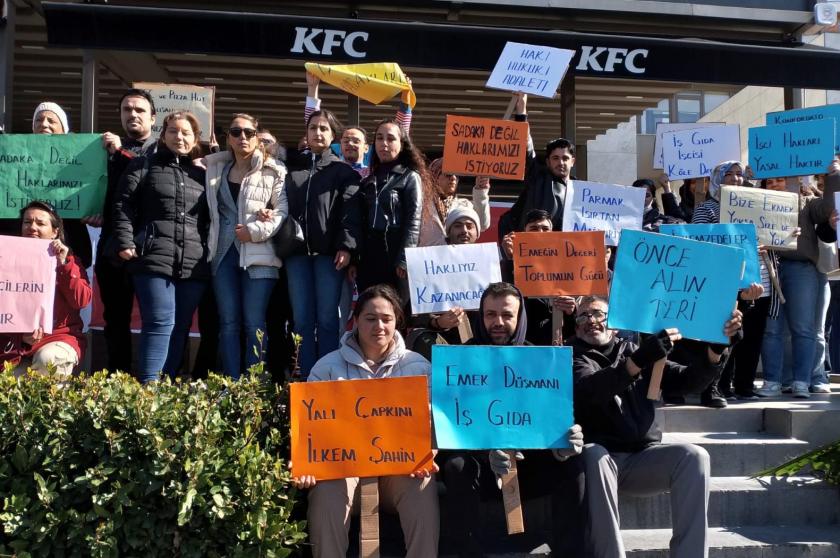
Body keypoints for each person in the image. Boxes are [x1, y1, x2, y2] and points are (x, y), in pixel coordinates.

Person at [571, 296, 742, 557]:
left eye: (598, 314)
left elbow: (688, 382)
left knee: (695, 456)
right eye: (583, 316)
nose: (591, 321)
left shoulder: (635, 350)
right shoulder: (572, 356)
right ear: (576, 327)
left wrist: (715, 351)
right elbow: (592, 390)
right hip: (601, 465)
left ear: (614, 323)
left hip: (642, 457)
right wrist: (637, 362)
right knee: (593, 454)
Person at [438, 282, 586, 557]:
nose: (498, 322)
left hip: (528, 467)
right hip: (481, 473)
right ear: (480, 317)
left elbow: (552, 422)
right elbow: (449, 433)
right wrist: (485, 455)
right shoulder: (459, 362)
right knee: (457, 466)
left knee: (574, 462)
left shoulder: (541, 360)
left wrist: (564, 442)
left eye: (507, 315)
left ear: (520, 318)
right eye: (490, 314)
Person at [293, 285, 438, 558]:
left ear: (398, 322)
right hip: (346, 474)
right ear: (356, 320)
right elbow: (310, 430)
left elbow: (431, 424)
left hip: (397, 474)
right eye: (370, 318)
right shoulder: (326, 367)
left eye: (387, 318)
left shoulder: (418, 367)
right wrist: (306, 464)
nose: (379, 326)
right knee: (327, 491)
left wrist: (430, 452)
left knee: (423, 484)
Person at [111, 111, 210, 383]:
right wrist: (125, 241)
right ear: (163, 135)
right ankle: (148, 390)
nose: (179, 137)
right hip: (152, 258)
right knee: (159, 322)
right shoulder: (144, 165)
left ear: (195, 139)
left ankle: (166, 390)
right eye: (173, 131)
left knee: (180, 327)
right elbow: (123, 204)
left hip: (193, 263)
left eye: (186, 133)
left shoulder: (202, 174)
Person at [205, 114, 287, 379]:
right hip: (222, 254)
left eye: (249, 132)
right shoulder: (215, 169)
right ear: (228, 138)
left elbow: (281, 212)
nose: (243, 137)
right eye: (236, 132)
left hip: (260, 254)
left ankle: (253, 385)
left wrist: (254, 231)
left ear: (257, 136)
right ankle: (231, 382)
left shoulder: (273, 170)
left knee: (255, 324)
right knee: (228, 323)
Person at [284, 108, 361, 378]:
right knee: (302, 321)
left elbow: (350, 215)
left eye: (324, 128)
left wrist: (346, 247)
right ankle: (306, 376)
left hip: (329, 256)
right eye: (313, 127)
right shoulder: (292, 168)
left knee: (328, 320)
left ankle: (327, 377)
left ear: (333, 136)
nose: (318, 132)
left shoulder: (344, 172)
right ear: (305, 133)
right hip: (295, 256)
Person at [756, 168, 839, 398]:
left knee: (804, 328)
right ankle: (772, 381)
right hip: (769, 267)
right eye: (770, 181)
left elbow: (829, 208)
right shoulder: (757, 202)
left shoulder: (806, 202)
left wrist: (833, 176)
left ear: (791, 180)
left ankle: (802, 381)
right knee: (772, 329)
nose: (775, 184)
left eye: (780, 179)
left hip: (801, 269)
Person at [691, 161, 766, 405]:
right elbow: (698, 243)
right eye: (729, 174)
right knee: (722, 334)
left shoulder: (752, 209)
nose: (735, 178)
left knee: (743, 334)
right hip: (717, 281)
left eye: (739, 174)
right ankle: (712, 388)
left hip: (745, 280)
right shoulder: (706, 209)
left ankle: (737, 385)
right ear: (718, 179)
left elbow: (763, 236)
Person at [96, 89, 158, 373]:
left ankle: (153, 381)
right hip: (111, 248)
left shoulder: (162, 151)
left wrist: (121, 152)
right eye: (127, 110)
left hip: (150, 250)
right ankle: (116, 380)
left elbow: (146, 180)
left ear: (153, 118)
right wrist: (94, 208)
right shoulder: (102, 152)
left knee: (155, 319)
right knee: (115, 318)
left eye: (140, 110)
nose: (133, 114)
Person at [1, 201, 92, 378]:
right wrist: (20, 337)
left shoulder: (69, 261)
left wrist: (64, 265)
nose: (32, 227)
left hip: (58, 338)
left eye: (40, 223)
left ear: (55, 232)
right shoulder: (5, 260)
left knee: (48, 360)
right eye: (27, 222)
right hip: (14, 345)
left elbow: (81, 300)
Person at [355, 119, 426, 293]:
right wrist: (356, 260)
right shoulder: (367, 180)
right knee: (370, 304)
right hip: (369, 255)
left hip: (395, 252)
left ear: (401, 145)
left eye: (390, 138)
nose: (384, 144)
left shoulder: (410, 177)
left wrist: (404, 258)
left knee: (395, 309)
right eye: (379, 138)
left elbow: (414, 220)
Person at [304, 71, 412, 178]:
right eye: (346, 141)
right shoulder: (329, 171)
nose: (350, 144)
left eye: (356, 141)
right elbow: (313, 122)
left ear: (366, 148)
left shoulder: (373, 175)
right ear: (340, 146)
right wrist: (312, 87)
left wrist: (406, 99)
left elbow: (399, 132)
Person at [500, 209, 578, 345]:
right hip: (521, 344)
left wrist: (572, 311)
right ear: (523, 233)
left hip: (556, 344)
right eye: (534, 228)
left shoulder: (567, 267)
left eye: (545, 229)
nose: (540, 233)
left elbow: (575, 322)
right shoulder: (507, 265)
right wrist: (511, 260)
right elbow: (505, 297)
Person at [500, 93, 573, 237]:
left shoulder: (582, 190)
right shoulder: (538, 178)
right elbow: (524, 147)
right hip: (534, 250)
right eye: (555, 158)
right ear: (547, 162)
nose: (561, 162)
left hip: (566, 254)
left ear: (573, 161)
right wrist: (521, 109)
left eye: (565, 158)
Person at [418, 158, 491, 246]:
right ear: (434, 177)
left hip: (458, 258)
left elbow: (482, 224)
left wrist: (481, 190)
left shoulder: (464, 205)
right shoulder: (420, 204)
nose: (453, 178)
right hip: (428, 258)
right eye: (448, 175)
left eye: (457, 176)